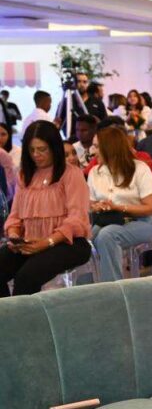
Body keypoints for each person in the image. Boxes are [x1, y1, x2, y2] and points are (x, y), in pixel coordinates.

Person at [0, 121, 92, 297]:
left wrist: (46, 242)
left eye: (42, 149)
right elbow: (15, 216)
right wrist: (14, 236)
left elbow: (77, 219)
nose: (36, 155)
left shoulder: (71, 174)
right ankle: (6, 312)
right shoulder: (25, 175)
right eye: (31, 150)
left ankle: (23, 314)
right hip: (31, 241)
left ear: (54, 148)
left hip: (69, 242)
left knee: (26, 277)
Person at [87, 127, 152, 283]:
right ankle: (87, 290)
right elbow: (91, 204)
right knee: (85, 240)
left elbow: (149, 207)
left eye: (97, 147)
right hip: (106, 220)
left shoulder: (140, 169)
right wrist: (97, 206)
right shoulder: (94, 173)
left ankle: (114, 289)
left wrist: (118, 207)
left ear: (110, 148)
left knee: (106, 235)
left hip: (140, 222)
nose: (92, 151)